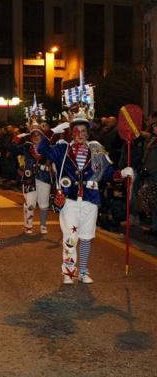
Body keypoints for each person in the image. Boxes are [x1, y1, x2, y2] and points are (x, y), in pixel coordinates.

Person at [38, 94, 133, 285]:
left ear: (89, 132)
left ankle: (82, 270)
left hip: (91, 199)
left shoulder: (96, 149)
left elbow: (107, 173)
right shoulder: (62, 149)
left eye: (84, 130)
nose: (81, 134)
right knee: (71, 237)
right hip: (70, 200)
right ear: (71, 132)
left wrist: (122, 173)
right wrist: (52, 132)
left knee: (87, 237)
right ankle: (69, 271)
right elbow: (42, 150)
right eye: (77, 130)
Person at [9, 97, 52, 234]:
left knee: (44, 203)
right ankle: (28, 225)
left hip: (44, 176)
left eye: (38, 134)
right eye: (33, 134)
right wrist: (16, 138)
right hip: (29, 178)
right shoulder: (26, 146)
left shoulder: (47, 147)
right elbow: (11, 149)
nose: (35, 136)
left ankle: (43, 225)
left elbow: (55, 157)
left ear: (42, 135)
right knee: (30, 204)